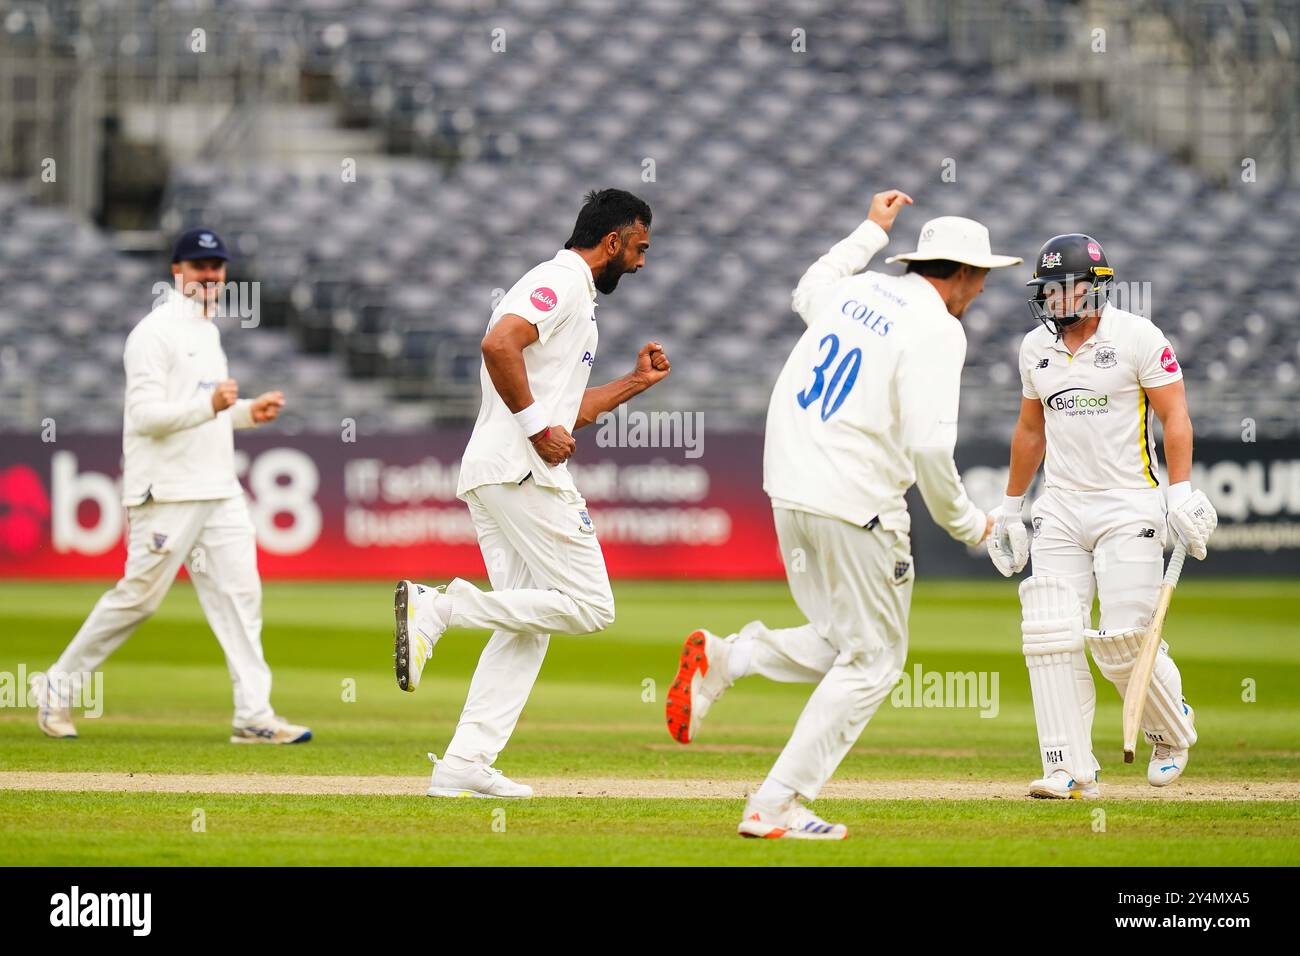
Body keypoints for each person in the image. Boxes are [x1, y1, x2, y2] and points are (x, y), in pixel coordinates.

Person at [665, 190, 1021, 839]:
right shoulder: (940, 327)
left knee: (840, 638)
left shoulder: (857, 292)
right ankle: (776, 804)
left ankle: (729, 659)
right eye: (981, 278)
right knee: (877, 660)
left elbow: (808, 287)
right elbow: (928, 447)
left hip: (790, 486)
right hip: (855, 498)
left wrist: (868, 230)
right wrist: (972, 524)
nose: (980, 291)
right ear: (965, 275)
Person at [394, 189, 670, 798]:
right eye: (641, 248)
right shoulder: (561, 280)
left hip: (501, 470)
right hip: (521, 470)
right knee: (592, 607)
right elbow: (499, 344)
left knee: (528, 621)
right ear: (614, 241)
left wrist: (634, 382)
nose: (643, 263)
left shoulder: (581, 298)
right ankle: (442, 608)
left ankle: (465, 762)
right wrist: (535, 429)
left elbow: (567, 411)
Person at [31, 228, 310, 744]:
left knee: (241, 597)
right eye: (199, 266)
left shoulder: (208, 332)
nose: (210, 276)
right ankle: (54, 689)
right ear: (176, 271)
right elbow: (144, 417)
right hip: (167, 492)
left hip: (218, 489)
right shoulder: (153, 334)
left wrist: (247, 412)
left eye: (217, 267)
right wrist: (212, 406)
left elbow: (207, 413)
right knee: (138, 598)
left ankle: (254, 715)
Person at [985, 233, 1217, 798]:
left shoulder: (1139, 338)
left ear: (1096, 289)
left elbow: (1175, 415)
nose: (1057, 300)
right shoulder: (1033, 350)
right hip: (1061, 506)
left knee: (1123, 642)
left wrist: (1180, 493)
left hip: (1129, 502)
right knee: (1051, 635)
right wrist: (1011, 508)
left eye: (1067, 289)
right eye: (1048, 291)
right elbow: (1031, 430)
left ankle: (1169, 729)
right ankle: (1068, 765)